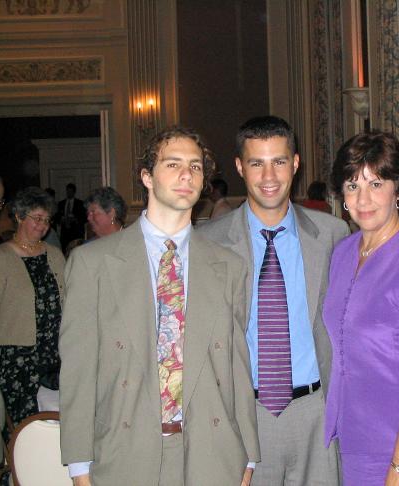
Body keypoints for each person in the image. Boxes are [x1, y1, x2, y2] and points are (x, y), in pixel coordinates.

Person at [59, 126, 259, 486]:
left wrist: (248, 457)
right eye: (173, 164)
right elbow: (78, 372)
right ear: (147, 177)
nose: (186, 174)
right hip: (125, 453)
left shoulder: (229, 267)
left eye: (195, 167)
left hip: (212, 454)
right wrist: (79, 466)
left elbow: (236, 367)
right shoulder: (93, 264)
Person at [200, 116, 347, 485]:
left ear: (295, 164)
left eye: (279, 161)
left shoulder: (333, 235)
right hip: (245, 415)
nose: (269, 176)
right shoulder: (208, 242)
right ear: (239, 167)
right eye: (256, 163)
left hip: (316, 414)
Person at [324, 131, 399, 485]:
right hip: (349, 438)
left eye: (376, 184)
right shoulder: (343, 252)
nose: (363, 198)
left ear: (398, 191)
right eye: (352, 185)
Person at [0, 187, 65, 428]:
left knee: (55, 419)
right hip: (17, 356)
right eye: (37, 218)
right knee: (24, 423)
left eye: (47, 220)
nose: (43, 225)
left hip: (54, 351)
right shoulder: (2, 257)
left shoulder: (55, 254)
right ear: (19, 216)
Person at [56, 182, 86, 252]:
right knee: (65, 250)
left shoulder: (80, 203)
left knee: (76, 250)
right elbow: (57, 217)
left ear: (74, 192)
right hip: (64, 233)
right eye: (67, 191)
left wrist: (75, 219)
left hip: (76, 232)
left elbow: (83, 217)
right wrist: (61, 219)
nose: (69, 193)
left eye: (70, 191)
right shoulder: (61, 203)